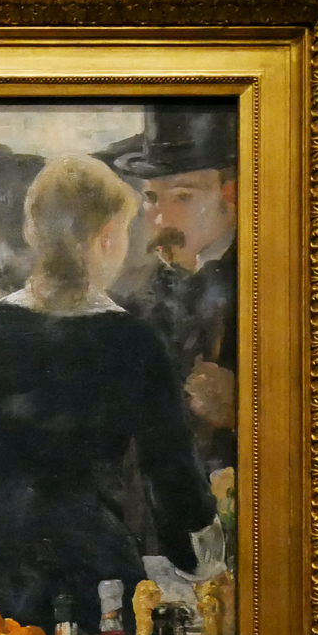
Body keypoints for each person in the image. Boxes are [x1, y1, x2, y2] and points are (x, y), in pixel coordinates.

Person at [0, 154, 215, 635]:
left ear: (33, 233)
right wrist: (197, 562)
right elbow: (172, 475)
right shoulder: (134, 341)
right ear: (106, 237)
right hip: (89, 563)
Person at [109, 102, 239, 471]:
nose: (161, 218)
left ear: (231, 195)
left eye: (183, 196)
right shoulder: (133, 296)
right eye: (151, 198)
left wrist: (244, 412)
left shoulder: (271, 282)